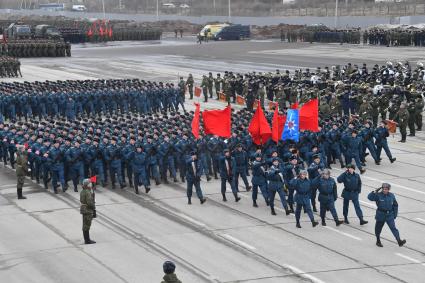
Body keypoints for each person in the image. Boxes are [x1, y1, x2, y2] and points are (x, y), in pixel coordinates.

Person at [368, 183, 406, 247]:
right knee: (378, 229)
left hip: (389, 215)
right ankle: (378, 241)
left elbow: (395, 205)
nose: (385, 190)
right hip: (381, 214)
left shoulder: (391, 195)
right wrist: (374, 192)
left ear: (389, 189)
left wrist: (395, 214)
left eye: (386, 189)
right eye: (383, 189)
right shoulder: (378, 195)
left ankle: (399, 241)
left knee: (393, 228)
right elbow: (369, 198)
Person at [80, 178, 96, 244]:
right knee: (87, 225)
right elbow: (90, 202)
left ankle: (87, 239)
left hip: (84, 209)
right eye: (90, 183)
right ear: (88, 184)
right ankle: (87, 240)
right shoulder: (87, 192)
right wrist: (94, 208)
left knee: (85, 224)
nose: (91, 184)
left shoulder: (83, 191)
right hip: (87, 209)